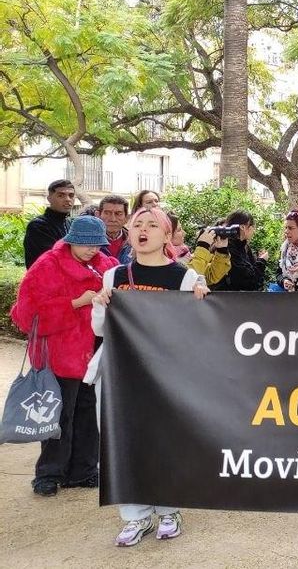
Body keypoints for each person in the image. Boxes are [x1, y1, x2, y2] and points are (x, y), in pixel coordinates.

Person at [88, 206, 209, 546]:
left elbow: (196, 331)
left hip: (165, 376)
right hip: (119, 374)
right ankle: (134, 515)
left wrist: (202, 304)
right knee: (121, 441)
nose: (143, 230)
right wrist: (102, 302)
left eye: (152, 225)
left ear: (167, 236)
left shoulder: (184, 278)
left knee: (165, 441)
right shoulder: (114, 275)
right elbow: (100, 328)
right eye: (137, 224)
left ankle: (169, 509)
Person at [10, 215, 118, 497]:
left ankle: (84, 470)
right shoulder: (47, 265)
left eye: (97, 244)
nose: (92, 250)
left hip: (94, 356)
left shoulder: (106, 266)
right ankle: (48, 473)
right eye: (85, 244)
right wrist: (75, 303)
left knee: (88, 413)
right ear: (70, 240)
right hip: (59, 355)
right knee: (56, 417)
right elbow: (26, 315)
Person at [210, 211, 268, 292]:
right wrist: (262, 261)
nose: (253, 230)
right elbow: (248, 281)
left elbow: (255, 278)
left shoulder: (243, 246)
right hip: (228, 298)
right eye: (252, 227)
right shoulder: (228, 247)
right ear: (243, 227)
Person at [24, 179, 75, 268]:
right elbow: (53, 258)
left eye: (71, 195)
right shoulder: (38, 225)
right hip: (44, 279)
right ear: (49, 198)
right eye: (61, 195)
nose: (67, 199)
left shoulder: (71, 223)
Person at [98, 195, 133, 264]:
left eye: (118, 214)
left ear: (127, 218)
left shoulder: (134, 243)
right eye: (107, 213)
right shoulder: (89, 243)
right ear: (98, 215)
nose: (112, 219)